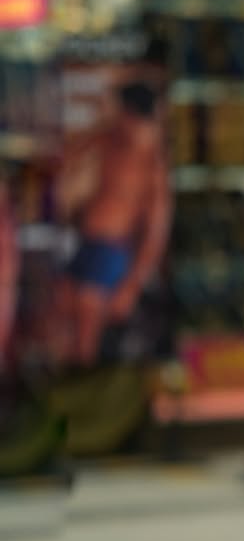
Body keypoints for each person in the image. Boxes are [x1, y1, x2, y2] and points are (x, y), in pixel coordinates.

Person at [53, 80, 171, 367]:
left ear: (130, 112)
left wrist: (132, 284)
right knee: (61, 314)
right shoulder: (109, 138)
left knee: (86, 332)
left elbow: (155, 232)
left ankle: (82, 397)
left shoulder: (151, 163)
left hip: (112, 251)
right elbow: (65, 155)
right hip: (87, 241)